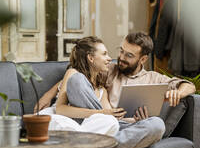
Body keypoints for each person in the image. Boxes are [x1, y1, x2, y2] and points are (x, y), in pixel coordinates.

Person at [25, 36, 166, 148]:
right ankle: (99, 146)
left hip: (98, 128)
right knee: (80, 85)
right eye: (104, 54)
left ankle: (105, 147)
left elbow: (112, 120)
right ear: (91, 58)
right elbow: (60, 109)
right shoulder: (74, 75)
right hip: (70, 120)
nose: (110, 58)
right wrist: (101, 113)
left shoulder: (101, 90)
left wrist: (137, 120)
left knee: (157, 124)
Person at [36, 31, 195, 114]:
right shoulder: (109, 69)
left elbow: (190, 86)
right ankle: (109, 141)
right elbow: (78, 76)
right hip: (104, 119)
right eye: (122, 51)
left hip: (130, 123)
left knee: (155, 125)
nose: (121, 58)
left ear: (143, 59)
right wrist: (49, 94)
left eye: (129, 55)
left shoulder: (153, 78)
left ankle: (111, 142)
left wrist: (179, 93)